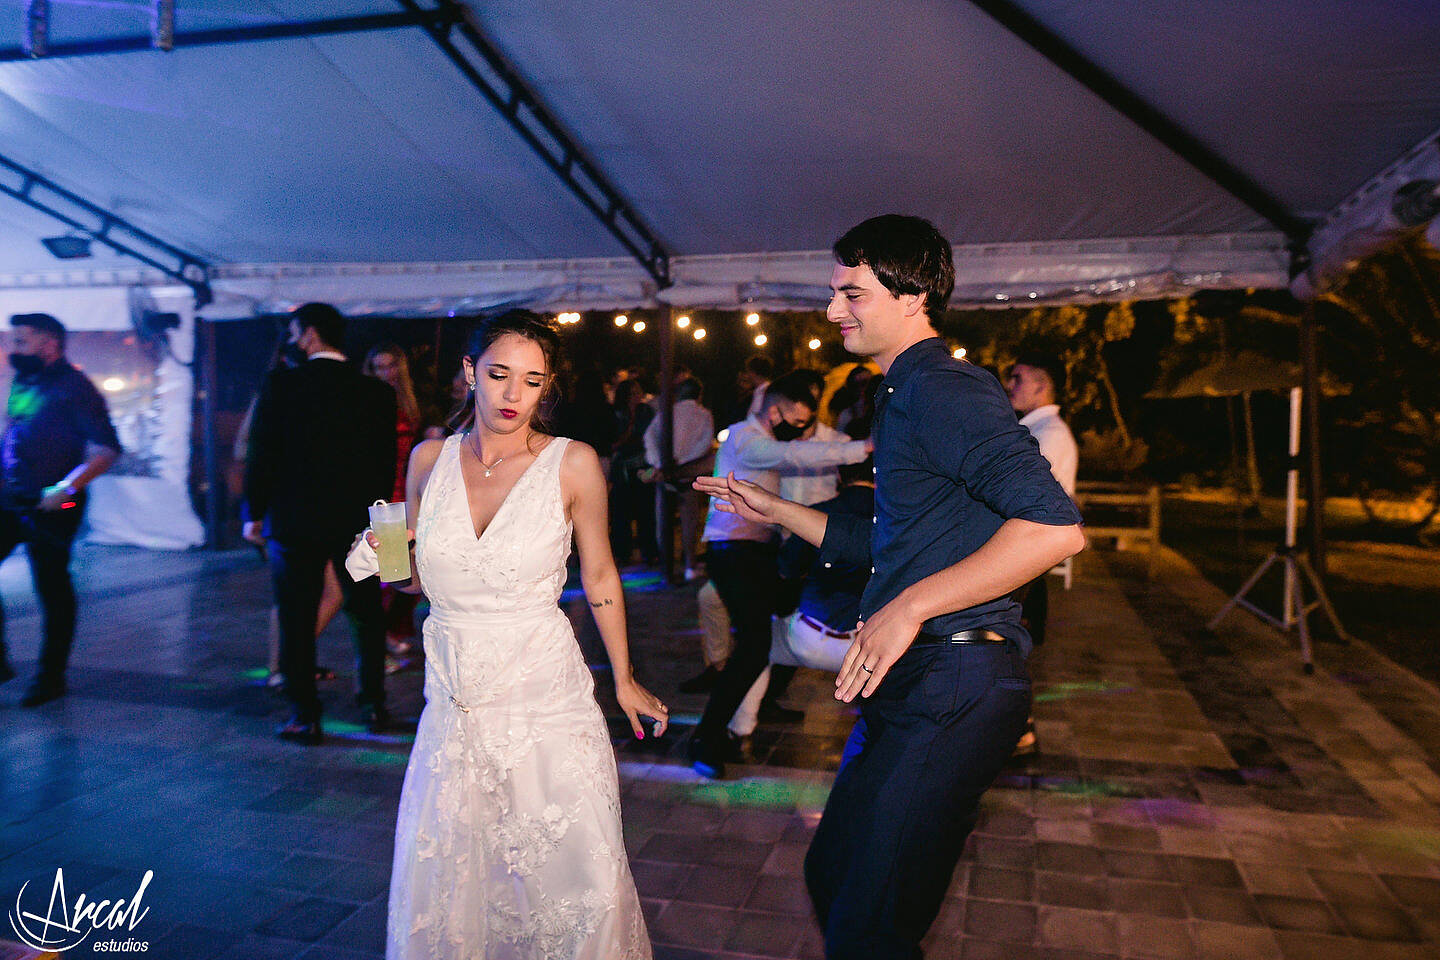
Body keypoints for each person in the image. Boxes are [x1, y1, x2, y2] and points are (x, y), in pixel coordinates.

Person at [696, 214, 1084, 958]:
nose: (833, 309)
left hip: (956, 680)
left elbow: (1053, 528)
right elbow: (892, 543)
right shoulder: (903, 391)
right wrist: (777, 509)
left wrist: (910, 606)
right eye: (834, 292)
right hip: (913, 683)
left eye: (852, 294)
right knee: (834, 874)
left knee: (868, 926)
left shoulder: (944, 388)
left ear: (912, 298)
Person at [349, 310, 665, 959]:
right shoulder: (428, 459)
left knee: (570, 879)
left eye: (532, 380)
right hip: (455, 704)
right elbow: (415, 582)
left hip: (544, 699)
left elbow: (600, 574)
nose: (514, 394)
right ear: (470, 373)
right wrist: (383, 555)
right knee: (459, 877)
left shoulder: (572, 463)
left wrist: (625, 678)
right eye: (499, 374)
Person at [688, 375, 871, 778]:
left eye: (807, 423)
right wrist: (863, 448)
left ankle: (756, 707)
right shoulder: (744, 437)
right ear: (774, 412)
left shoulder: (765, 441)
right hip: (733, 553)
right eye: (797, 421)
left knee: (784, 620)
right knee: (755, 646)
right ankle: (706, 738)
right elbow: (792, 455)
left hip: (758, 553)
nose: (801, 430)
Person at [244, 303, 397, 744]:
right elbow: (384, 466)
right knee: (366, 614)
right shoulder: (376, 392)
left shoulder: (282, 384)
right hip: (361, 518)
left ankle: (304, 715)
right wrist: (384, 529)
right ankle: (374, 704)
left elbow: (262, 453)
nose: (293, 341)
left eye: (296, 332)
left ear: (309, 334)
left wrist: (254, 512)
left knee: (297, 616)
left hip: (295, 520)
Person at [0, 313, 120, 707]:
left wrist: (66, 488)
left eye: (22, 341)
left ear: (49, 343)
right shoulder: (25, 381)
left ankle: (52, 677)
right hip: (11, 499)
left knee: (52, 586)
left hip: (56, 504)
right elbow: (14, 434)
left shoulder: (76, 388)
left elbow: (107, 449)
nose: (13, 348)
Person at [727, 457, 875, 745]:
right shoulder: (892, 518)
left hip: (807, 637)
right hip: (861, 649)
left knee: (756, 646)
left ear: (839, 476)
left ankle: (739, 729)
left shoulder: (818, 513)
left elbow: (787, 568)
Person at [1005, 349, 1079, 755]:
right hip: (1021, 555)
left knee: (1005, 646)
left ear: (1041, 384)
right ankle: (1017, 729)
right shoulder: (1035, 429)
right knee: (1004, 646)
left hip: (1024, 556)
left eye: (1018, 378)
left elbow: (1026, 499)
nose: (1009, 385)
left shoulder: (1048, 434)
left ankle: (1020, 730)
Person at [363, 343, 444, 670]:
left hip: (412, 491)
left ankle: (393, 632)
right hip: (383, 494)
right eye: (379, 367)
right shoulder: (367, 402)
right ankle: (378, 647)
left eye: (391, 365)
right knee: (390, 571)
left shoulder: (415, 401)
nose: (387, 373)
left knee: (416, 566)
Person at [642, 375, 714, 581]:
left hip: (663, 472)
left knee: (663, 521)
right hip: (687, 475)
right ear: (699, 395)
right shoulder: (704, 414)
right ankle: (689, 564)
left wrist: (659, 462)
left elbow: (649, 437)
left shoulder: (667, 412)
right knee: (689, 523)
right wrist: (682, 462)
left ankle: (666, 564)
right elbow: (704, 444)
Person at [609, 378, 658, 565]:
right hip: (622, 468)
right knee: (621, 512)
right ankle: (623, 552)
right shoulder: (616, 413)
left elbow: (651, 435)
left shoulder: (646, 411)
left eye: (638, 392)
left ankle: (649, 551)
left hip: (642, 465)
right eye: (633, 393)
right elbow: (614, 441)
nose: (637, 396)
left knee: (646, 511)